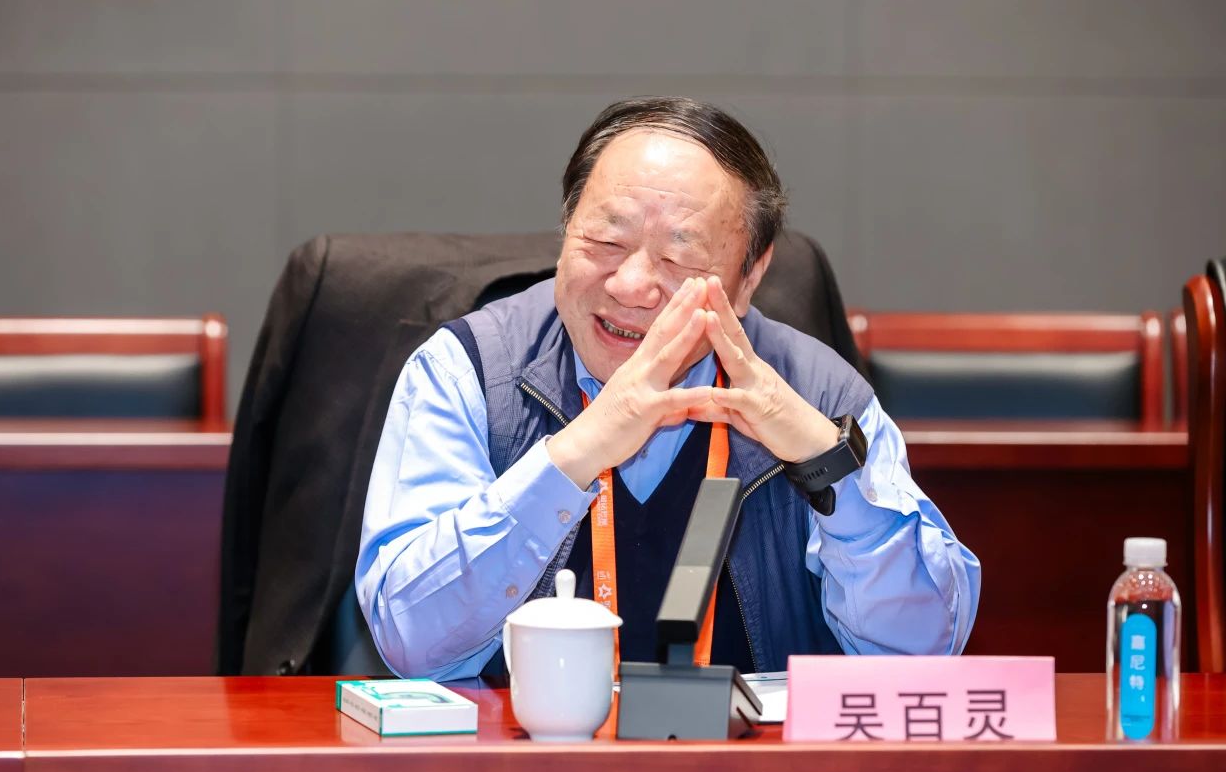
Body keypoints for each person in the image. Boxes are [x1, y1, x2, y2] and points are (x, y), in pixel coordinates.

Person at [356, 97, 980, 680]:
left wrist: (828, 466)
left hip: (746, 760)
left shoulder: (823, 397)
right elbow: (411, 641)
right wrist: (574, 455)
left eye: (680, 259)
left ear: (749, 276)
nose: (630, 286)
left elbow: (920, 656)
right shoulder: (466, 369)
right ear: (566, 230)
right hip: (526, 756)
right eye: (606, 240)